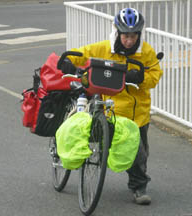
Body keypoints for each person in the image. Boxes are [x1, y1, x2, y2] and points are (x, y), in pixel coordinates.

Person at [60, 8, 163, 205]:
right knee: (85, 133)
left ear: (139, 35)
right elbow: (81, 54)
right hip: (109, 109)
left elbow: (155, 74)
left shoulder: (146, 52)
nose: (129, 41)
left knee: (138, 153)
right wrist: (68, 62)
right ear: (117, 32)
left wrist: (141, 78)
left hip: (136, 113)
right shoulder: (104, 48)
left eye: (133, 36)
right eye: (125, 36)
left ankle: (139, 187)